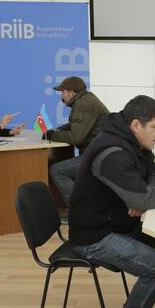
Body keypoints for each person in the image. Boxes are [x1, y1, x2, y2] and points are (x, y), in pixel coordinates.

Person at [69, 95, 155, 308]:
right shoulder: (113, 152)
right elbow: (142, 197)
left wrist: (141, 196)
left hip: (116, 223)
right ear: (136, 125)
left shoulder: (132, 141)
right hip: (93, 236)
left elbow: (154, 171)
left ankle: (140, 307)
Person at [45, 76, 109, 209]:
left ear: (72, 92)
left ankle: (77, 211)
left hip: (97, 156)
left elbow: (76, 137)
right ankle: (83, 206)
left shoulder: (83, 105)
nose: (61, 95)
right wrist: (59, 130)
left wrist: (51, 135)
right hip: (99, 152)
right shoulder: (86, 100)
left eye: (62, 92)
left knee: (57, 171)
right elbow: (76, 125)